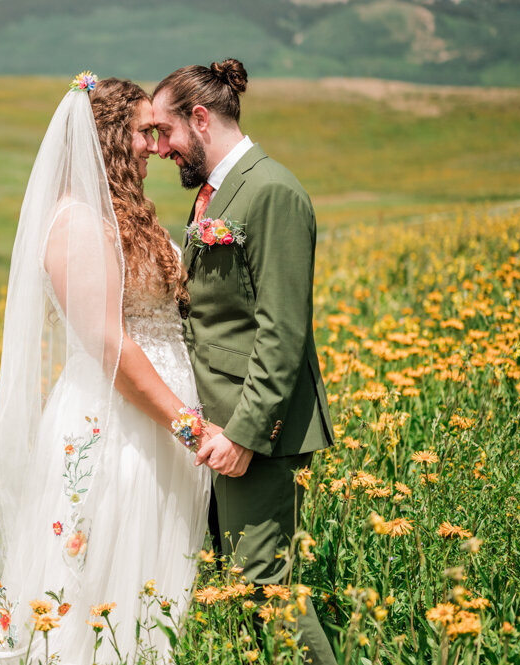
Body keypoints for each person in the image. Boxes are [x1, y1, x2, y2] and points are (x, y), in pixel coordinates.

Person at [0, 73, 212, 663]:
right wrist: (188, 426)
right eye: (143, 132)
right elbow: (110, 345)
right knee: (106, 584)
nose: (156, 146)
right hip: (121, 429)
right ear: (108, 135)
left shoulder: (126, 213)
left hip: (159, 420)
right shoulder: (79, 222)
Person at [151, 59, 337, 664]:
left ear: (200, 119)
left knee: (264, 587)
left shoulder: (272, 191)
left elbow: (283, 331)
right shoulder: (216, 193)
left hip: (254, 430)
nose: (160, 149)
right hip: (216, 422)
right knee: (239, 586)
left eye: (166, 132)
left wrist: (245, 434)